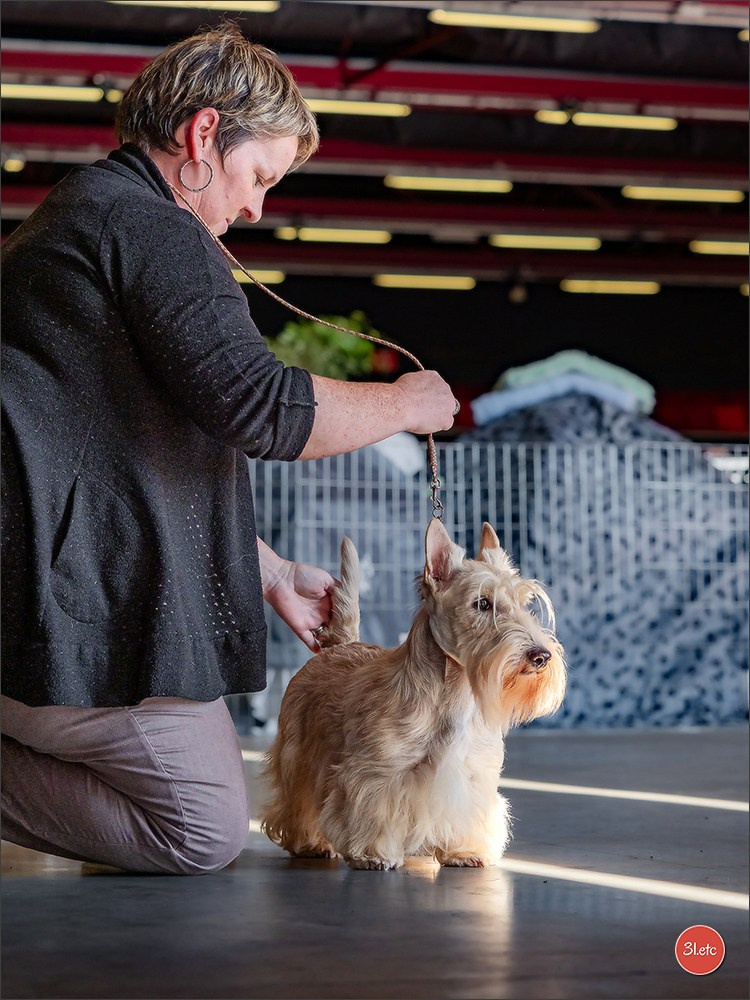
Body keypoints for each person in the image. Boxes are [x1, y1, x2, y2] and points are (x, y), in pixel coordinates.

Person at [0, 23, 457, 875]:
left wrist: (270, 571)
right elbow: (262, 406)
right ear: (204, 136)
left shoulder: (80, 218)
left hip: (30, 588)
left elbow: (118, 471)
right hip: (54, 615)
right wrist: (403, 401)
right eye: (258, 177)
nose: (253, 208)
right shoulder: (152, 227)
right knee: (200, 828)